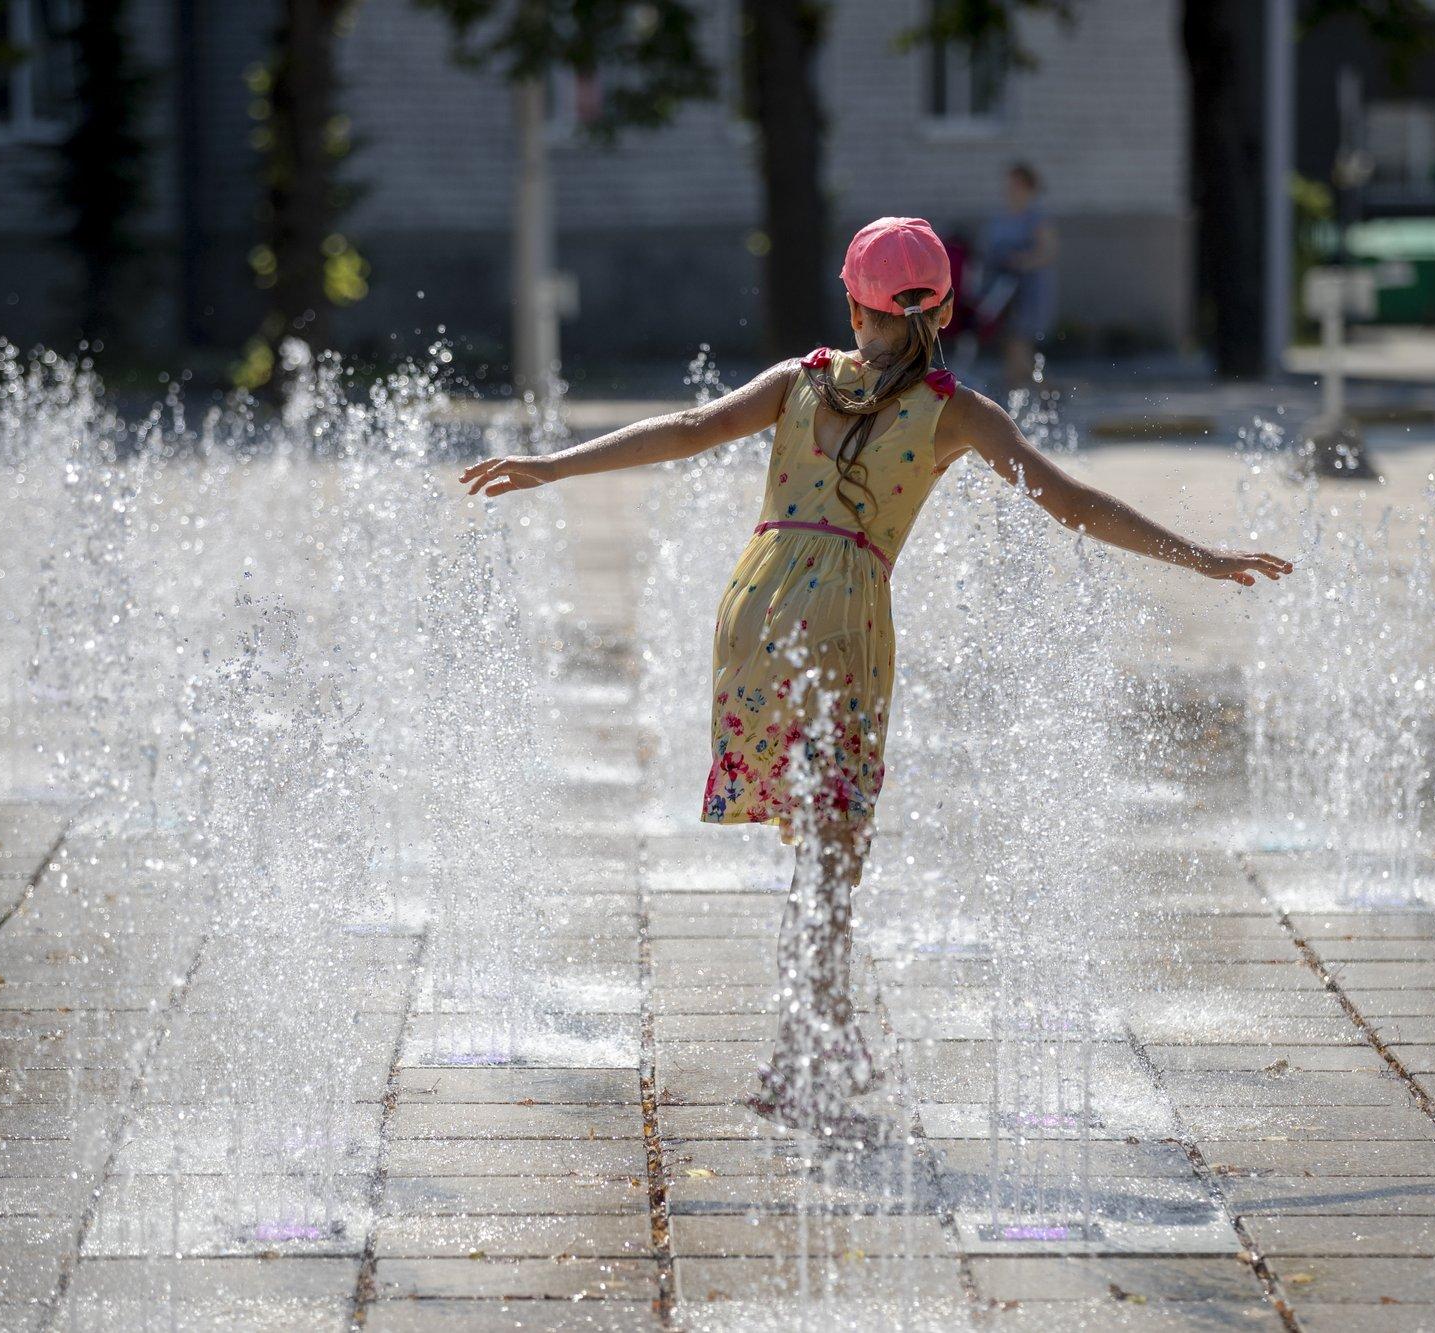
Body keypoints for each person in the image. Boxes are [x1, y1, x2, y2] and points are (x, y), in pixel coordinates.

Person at [461, 217, 1291, 1142]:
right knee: (833, 855)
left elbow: (692, 428)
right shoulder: (958, 410)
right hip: (841, 620)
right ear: (942, 307)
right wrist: (1202, 557)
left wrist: (552, 465)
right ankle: (803, 1058)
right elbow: (1072, 503)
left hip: (753, 610)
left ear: (853, 302)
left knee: (817, 843)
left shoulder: (801, 377)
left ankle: (827, 1038)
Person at [981, 163, 1058, 392]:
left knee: (1020, 344)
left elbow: (1048, 252)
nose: (1010, 189)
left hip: (1028, 291)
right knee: (1010, 345)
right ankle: (1023, 394)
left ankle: (1043, 391)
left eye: (1016, 185)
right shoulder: (1002, 217)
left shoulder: (1036, 217)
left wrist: (1021, 261)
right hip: (1003, 291)